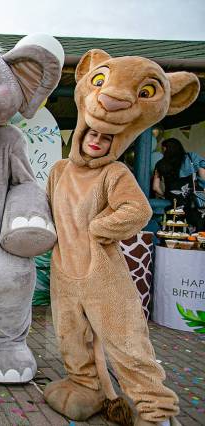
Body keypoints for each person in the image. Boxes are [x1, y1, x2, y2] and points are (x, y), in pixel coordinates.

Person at [46, 129, 179, 423]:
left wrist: (98, 228)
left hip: (102, 273)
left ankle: (154, 409)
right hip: (64, 270)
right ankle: (87, 387)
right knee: (71, 338)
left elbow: (138, 210)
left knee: (127, 341)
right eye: (91, 133)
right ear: (80, 134)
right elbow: (45, 209)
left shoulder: (114, 172)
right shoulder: (59, 170)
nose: (96, 140)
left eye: (105, 138)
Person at [152, 138, 205, 229]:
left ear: (165, 149)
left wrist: (167, 195)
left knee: (176, 231)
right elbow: (203, 177)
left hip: (175, 203)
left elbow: (155, 187)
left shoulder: (160, 164)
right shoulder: (191, 156)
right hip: (195, 201)